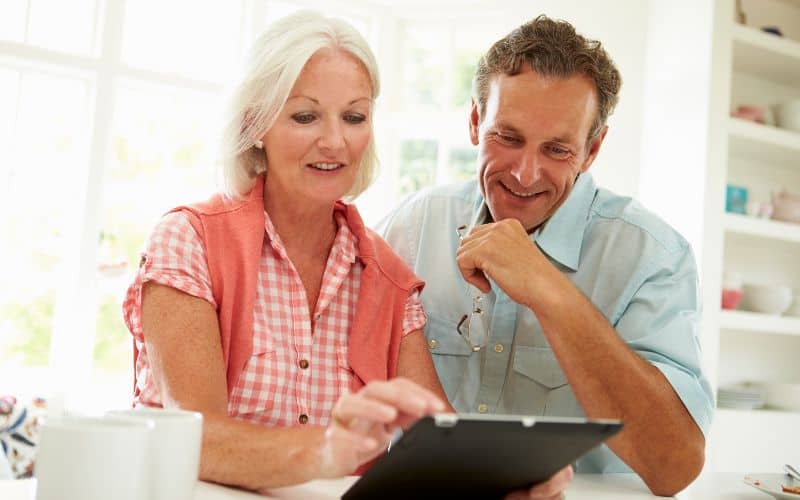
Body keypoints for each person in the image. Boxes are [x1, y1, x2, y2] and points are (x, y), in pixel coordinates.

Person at [122, 12, 571, 498]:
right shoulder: (188, 242)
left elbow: (441, 445)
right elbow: (197, 437)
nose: (335, 141)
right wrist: (325, 451)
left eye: (354, 117)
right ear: (255, 124)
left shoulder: (387, 278)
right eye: (305, 115)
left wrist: (506, 483)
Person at [379, 14, 714, 497]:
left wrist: (548, 289)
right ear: (475, 122)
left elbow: (674, 467)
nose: (525, 173)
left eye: (557, 149)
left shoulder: (654, 257)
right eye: (507, 138)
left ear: (592, 149)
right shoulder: (412, 228)